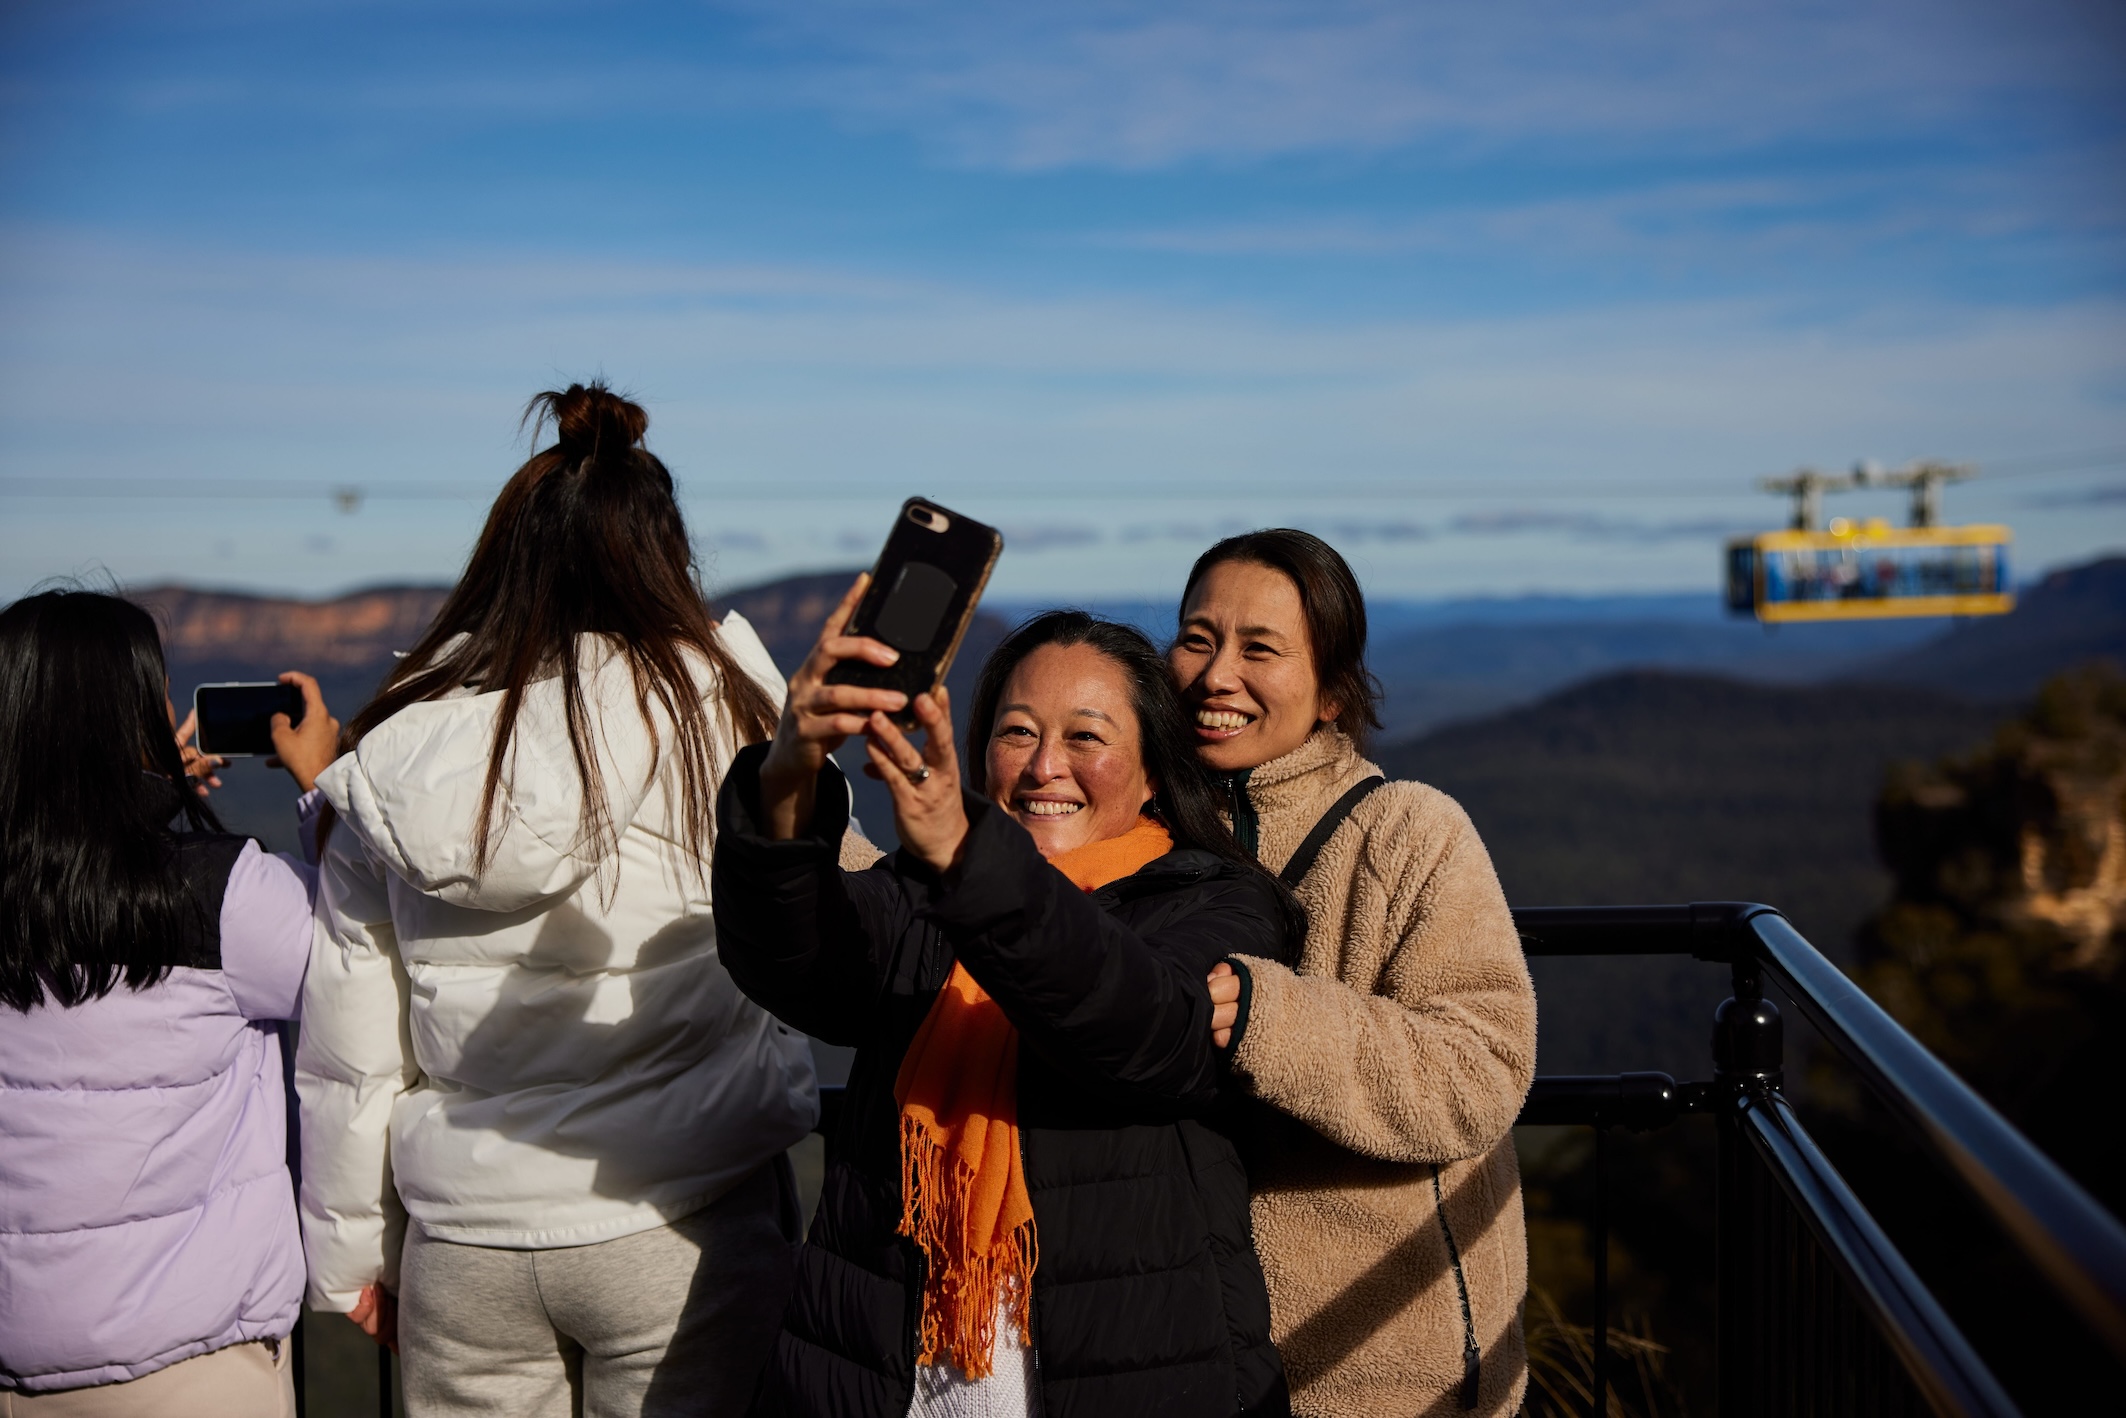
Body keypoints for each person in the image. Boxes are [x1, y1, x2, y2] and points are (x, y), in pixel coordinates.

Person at [295, 383, 812, 1418]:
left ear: (508, 556)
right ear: (664, 553)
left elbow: (352, 1036)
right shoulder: (730, 713)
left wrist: (355, 1251)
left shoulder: (396, 750)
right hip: (680, 1211)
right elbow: (817, 914)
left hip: (467, 1241)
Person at [713, 594, 1298, 1418]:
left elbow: (1148, 1032)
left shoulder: (1218, 904)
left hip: (1130, 1378)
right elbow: (798, 961)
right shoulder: (926, 896)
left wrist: (971, 863)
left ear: (1154, 773)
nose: (1043, 767)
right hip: (880, 1380)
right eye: (1017, 732)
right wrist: (787, 772)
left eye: (1086, 737)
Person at [1173, 530, 1537, 1418]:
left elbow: (1481, 1071)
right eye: (1196, 639)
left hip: (1389, 1379)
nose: (1217, 675)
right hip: (1197, 1369)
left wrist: (1267, 1018)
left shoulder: (1408, 832)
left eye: (1260, 649)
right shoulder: (1136, 826)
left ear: (1333, 692)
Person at [0, 589, 338, 1416]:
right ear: (132, 720)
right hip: (192, 1371)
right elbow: (358, 953)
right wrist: (327, 787)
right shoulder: (221, 893)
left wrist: (139, 800)